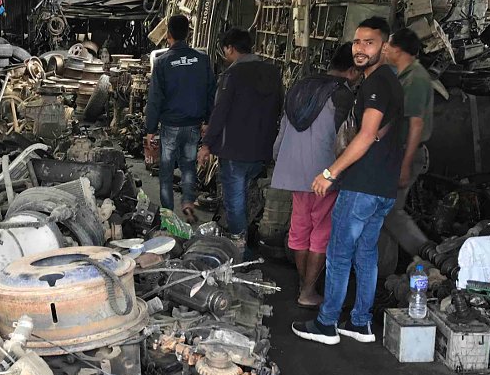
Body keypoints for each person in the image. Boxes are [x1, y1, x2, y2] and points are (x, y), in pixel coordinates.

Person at [292, 17, 405, 345]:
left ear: (384, 47)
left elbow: (367, 135)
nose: (360, 48)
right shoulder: (389, 82)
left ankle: (327, 324)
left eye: (369, 43)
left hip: (362, 187)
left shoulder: (375, 84)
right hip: (381, 188)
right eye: (357, 42)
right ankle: (360, 323)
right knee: (365, 254)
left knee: (339, 252)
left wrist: (331, 172)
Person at [271, 43, 360, 307]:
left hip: (293, 169)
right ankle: (308, 291)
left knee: (299, 229)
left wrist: (279, 159)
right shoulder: (342, 94)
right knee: (321, 232)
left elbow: (282, 132)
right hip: (326, 172)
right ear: (353, 70)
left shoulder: (300, 86)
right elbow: (348, 139)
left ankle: (303, 283)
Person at [198, 27, 282, 253]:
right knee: (246, 193)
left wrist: (206, 144)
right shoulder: (273, 72)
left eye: (225, 50)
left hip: (235, 149)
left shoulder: (232, 75)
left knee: (234, 198)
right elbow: (278, 109)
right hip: (262, 148)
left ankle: (238, 247)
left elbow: (220, 111)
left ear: (230, 48)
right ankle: (242, 236)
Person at [145, 15, 216, 222]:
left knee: (166, 171)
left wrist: (150, 129)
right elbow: (211, 92)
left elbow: (155, 98)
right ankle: (187, 202)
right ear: (188, 33)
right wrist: (208, 121)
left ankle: (168, 214)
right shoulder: (202, 59)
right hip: (193, 124)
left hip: (170, 125)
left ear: (168, 35)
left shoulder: (162, 62)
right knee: (188, 166)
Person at [378, 27, 434, 275]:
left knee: (391, 211)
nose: (384, 49)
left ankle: (428, 255)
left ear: (397, 50)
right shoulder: (403, 74)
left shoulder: (416, 79)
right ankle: (383, 268)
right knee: (383, 211)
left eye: (387, 45)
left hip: (406, 153)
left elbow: (416, 123)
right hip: (395, 152)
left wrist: (405, 164)